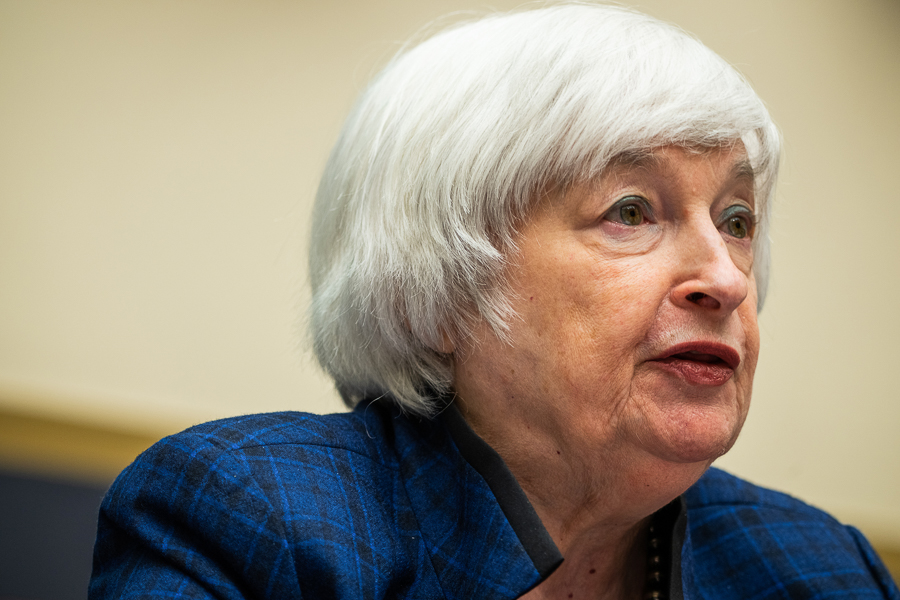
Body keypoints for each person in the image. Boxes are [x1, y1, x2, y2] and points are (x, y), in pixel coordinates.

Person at [89, 4, 899, 599]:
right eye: (630, 211)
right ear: (439, 290)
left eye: (737, 219)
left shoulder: (821, 572)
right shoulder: (256, 522)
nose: (725, 278)